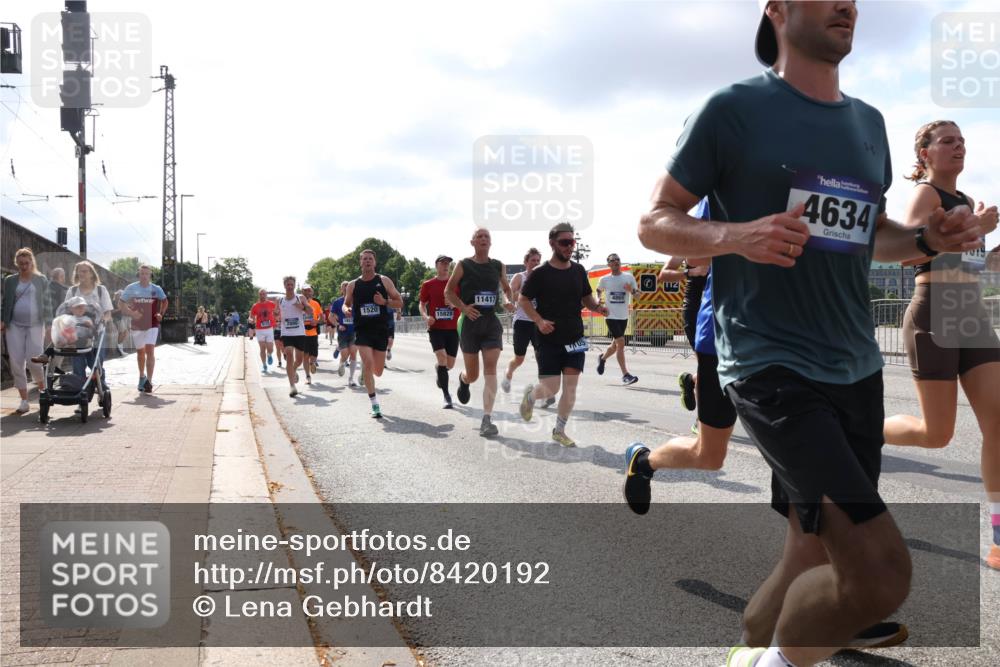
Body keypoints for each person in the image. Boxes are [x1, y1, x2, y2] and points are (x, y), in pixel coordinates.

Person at [638, 3, 987, 665]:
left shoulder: (868, 123)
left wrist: (922, 238)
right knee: (879, 571)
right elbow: (655, 222)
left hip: (854, 366)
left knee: (810, 546)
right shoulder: (732, 109)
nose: (847, 5)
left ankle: (751, 648)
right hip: (770, 363)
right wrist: (735, 236)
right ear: (778, 10)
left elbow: (871, 236)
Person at [882, 120, 1000, 571]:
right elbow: (910, 253)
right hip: (934, 310)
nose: (958, 146)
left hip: (972, 313)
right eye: (947, 140)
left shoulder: (968, 201)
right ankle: (865, 432)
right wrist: (973, 226)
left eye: (962, 140)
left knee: (998, 425)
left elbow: (968, 262)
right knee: (937, 434)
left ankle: (998, 539)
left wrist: (989, 250)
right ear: (925, 155)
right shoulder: (926, 196)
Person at [518, 223, 606, 447]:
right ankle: (530, 397)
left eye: (572, 242)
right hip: (548, 339)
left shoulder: (578, 270)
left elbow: (586, 297)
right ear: (552, 243)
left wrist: (597, 307)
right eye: (564, 242)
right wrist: (538, 320)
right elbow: (523, 299)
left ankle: (559, 430)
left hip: (575, 337)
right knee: (551, 388)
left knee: (570, 388)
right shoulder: (540, 273)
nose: (569, 247)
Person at [445, 228, 516, 437]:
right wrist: (464, 308)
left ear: (490, 243)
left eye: (487, 237)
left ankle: (487, 419)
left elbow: (506, 288)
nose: (484, 239)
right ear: (472, 242)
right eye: (480, 236)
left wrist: (506, 301)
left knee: (491, 368)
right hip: (470, 323)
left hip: (490, 323)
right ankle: (463, 379)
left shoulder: (497, 265)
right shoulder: (463, 264)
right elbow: (448, 291)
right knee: (473, 375)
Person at [343, 249, 404, 418]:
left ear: (374, 263)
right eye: (364, 259)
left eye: (370, 259)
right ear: (360, 263)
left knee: (378, 371)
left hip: (380, 330)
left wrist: (384, 301)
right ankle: (375, 404)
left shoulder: (384, 281)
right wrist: (346, 309)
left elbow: (400, 302)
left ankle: (367, 374)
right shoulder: (353, 285)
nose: (367, 261)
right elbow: (346, 304)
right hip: (362, 330)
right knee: (368, 364)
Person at [1, 248, 53, 414]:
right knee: (16, 362)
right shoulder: (10, 281)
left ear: (32, 263)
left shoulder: (41, 280)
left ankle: (42, 392)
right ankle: (24, 400)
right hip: (14, 325)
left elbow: (47, 302)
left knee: (34, 360)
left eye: (27, 263)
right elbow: (5, 301)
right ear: (17, 263)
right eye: (21, 263)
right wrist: (3, 320)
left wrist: (50, 323)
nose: (24, 266)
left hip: (35, 325)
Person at [419, 255, 460, 408]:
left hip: (453, 329)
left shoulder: (456, 283)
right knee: (442, 358)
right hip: (435, 328)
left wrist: (455, 304)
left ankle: (439, 370)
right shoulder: (428, 284)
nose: (446, 265)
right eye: (443, 263)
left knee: (449, 364)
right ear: (436, 265)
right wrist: (426, 316)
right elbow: (422, 304)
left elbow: (464, 302)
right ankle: (447, 396)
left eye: (448, 263)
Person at [120, 265, 168, 393]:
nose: (144, 276)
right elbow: (121, 303)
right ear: (138, 274)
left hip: (152, 324)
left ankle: (149, 382)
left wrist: (160, 314)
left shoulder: (156, 289)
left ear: (150, 275)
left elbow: (165, 301)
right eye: (142, 273)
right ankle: (142, 376)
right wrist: (131, 313)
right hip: (137, 324)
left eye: (147, 274)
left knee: (150, 350)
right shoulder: (131, 288)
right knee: (140, 352)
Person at [63, 260, 113, 381]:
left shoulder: (101, 290)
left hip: (97, 331)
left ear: (91, 273)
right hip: (77, 333)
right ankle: (79, 388)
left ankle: (102, 387)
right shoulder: (73, 291)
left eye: (84, 271)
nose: (81, 274)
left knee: (96, 362)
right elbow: (66, 310)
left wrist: (104, 319)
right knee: (78, 364)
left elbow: (108, 313)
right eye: (79, 272)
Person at [501, 248, 542, 395]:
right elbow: (508, 294)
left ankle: (545, 390)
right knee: (519, 358)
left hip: (538, 323)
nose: (536, 263)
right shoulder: (520, 277)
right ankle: (508, 375)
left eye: (538, 260)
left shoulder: (543, 278)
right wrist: (508, 301)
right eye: (533, 260)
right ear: (526, 262)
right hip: (522, 322)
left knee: (542, 357)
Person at [595, 252, 639, 385]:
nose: (616, 262)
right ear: (609, 264)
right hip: (610, 315)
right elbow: (598, 291)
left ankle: (602, 358)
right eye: (613, 260)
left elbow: (638, 296)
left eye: (618, 259)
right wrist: (599, 301)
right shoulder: (604, 279)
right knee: (621, 343)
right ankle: (625, 375)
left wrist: (631, 290)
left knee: (615, 345)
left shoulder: (628, 277)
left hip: (623, 316)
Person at [277, 276, 313, 397]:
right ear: (284, 286)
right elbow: (277, 314)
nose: (290, 286)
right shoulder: (280, 300)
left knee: (299, 360)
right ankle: (292, 386)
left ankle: (293, 370)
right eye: (288, 284)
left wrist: (302, 307)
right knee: (289, 354)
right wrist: (276, 316)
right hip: (286, 333)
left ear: (294, 285)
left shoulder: (300, 297)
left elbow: (310, 311)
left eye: (292, 284)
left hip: (299, 333)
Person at [330, 281, 358, 386]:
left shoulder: (356, 301)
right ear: (341, 290)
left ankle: (351, 379)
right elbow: (330, 317)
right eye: (344, 287)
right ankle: (341, 363)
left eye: (348, 287)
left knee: (353, 353)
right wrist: (338, 325)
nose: (346, 289)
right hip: (342, 332)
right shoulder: (337, 302)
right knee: (345, 354)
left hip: (354, 332)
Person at [250, 289, 278, 373]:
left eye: (264, 294)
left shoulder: (271, 304)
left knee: (270, 348)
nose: (262, 295)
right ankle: (264, 365)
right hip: (259, 329)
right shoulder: (255, 306)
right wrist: (251, 319)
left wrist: (277, 313)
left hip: (269, 328)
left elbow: (276, 311)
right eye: (261, 294)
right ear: (259, 295)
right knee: (262, 348)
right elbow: (251, 316)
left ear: (266, 295)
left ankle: (269, 355)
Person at [301, 285, 322, 383]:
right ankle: (307, 376)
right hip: (302, 333)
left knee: (313, 356)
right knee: (305, 356)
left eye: (309, 291)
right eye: (305, 291)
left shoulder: (315, 304)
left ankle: (312, 364)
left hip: (313, 333)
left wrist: (316, 321)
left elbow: (322, 318)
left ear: (311, 293)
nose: (307, 292)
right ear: (302, 292)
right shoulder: (298, 304)